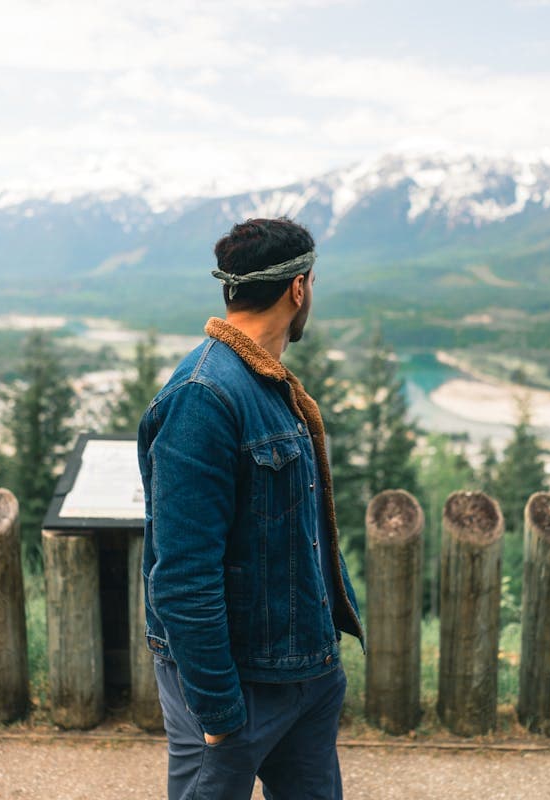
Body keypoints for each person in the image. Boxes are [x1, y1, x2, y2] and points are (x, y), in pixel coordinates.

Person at [138, 217, 365, 800]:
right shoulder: (203, 397)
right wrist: (216, 716)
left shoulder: (269, 385)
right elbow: (183, 576)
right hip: (234, 688)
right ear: (299, 288)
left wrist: (326, 664)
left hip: (305, 673)